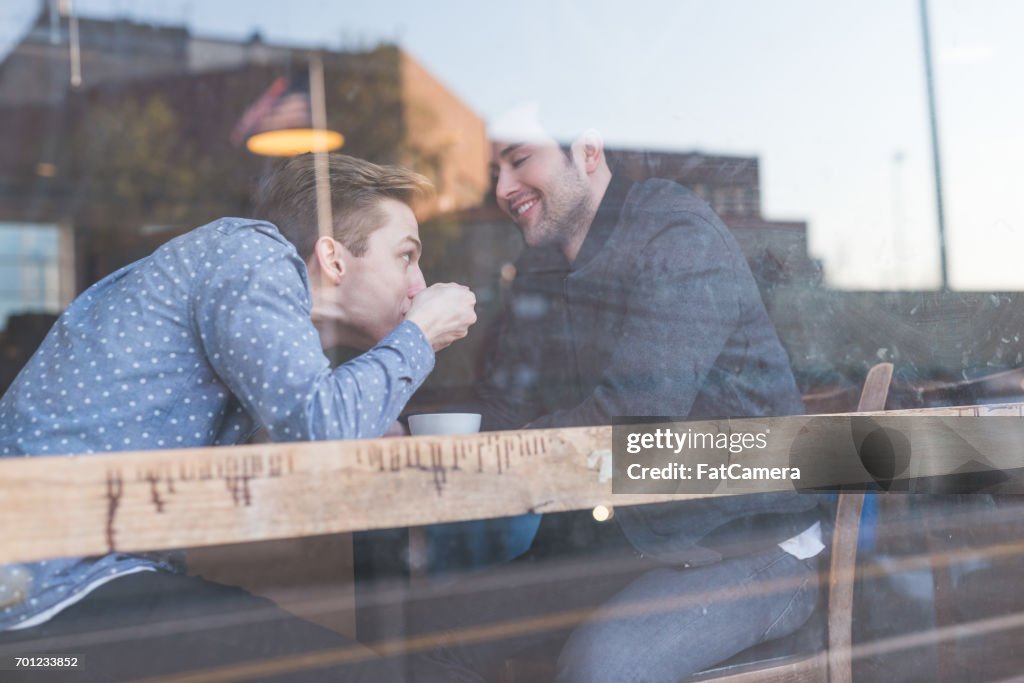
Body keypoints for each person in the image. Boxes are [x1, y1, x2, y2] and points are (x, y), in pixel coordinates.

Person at [0, 153, 477, 681]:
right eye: (406, 257)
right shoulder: (251, 253)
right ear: (334, 259)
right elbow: (323, 430)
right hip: (45, 605)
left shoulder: (240, 279)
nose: (419, 282)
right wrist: (422, 333)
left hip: (63, 588)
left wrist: (376, 422)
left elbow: (308, 436)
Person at [470, 104, 827, 682]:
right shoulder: (540, 265)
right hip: (625, 540)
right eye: (495, 172)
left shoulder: (676, 236)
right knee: (434, 628)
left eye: (518, 161)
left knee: (600, 670)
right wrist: (410, 427)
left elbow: (633, 420)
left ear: (587, 153)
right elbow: (510, 400)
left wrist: (499, 452)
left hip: (753, 549)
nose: (503, 189)